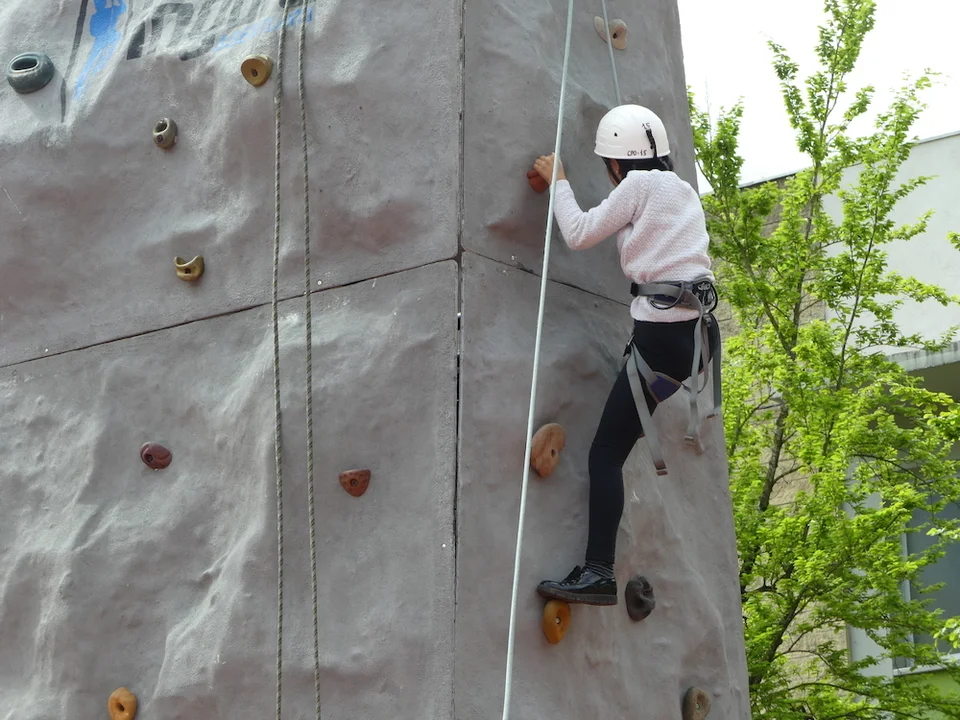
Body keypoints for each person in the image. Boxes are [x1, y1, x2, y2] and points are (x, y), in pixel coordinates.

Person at [530, 104, 721, 606]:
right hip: (692, 344)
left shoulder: (636, 186)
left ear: (616, 163)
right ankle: (597, 571)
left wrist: (559, 180)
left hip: (660, 338)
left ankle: (598, 572)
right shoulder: (683, 191)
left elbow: (578, 233)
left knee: (605, 452)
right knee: (618, 439)